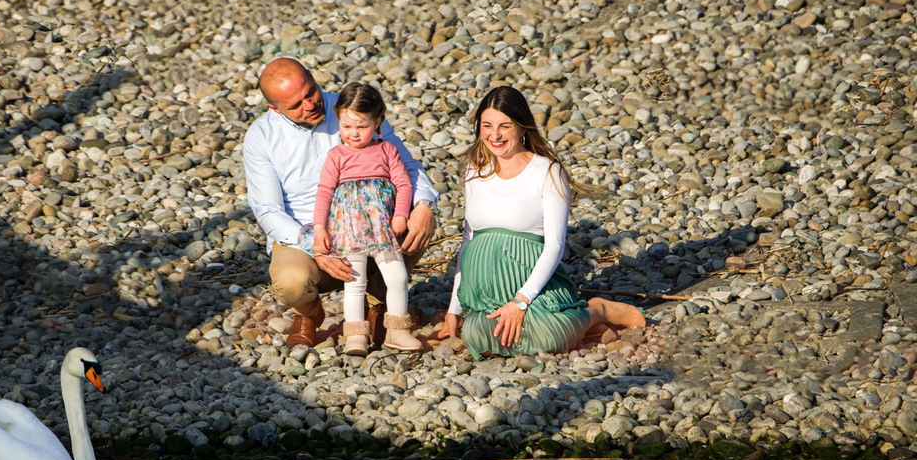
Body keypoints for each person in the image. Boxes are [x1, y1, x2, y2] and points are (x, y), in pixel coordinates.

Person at [437, 85, 645, 359]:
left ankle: (597, 310)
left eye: (505, 126)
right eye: (486, 126)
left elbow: (555, 246)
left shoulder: (546, 171)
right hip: (484, 296)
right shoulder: (475, 170)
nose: (494, 135)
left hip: (529, 287)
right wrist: (454, 311)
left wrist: (520, 302)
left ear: (523, 127)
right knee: (479, 339)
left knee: (550, 335)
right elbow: (468, 239)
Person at [244, 58, 439, 349]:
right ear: (275, 108)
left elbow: (406, 165)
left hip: (372, 224)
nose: (310, 105)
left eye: (310, 92)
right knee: (290, 282)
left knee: (419, 220)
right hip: (308, 233)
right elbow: (267, 209)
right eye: (296, 105)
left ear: (312, 76)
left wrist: (424, 204)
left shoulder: (352, 108)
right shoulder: (261, 137)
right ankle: (309, 314)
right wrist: (316, 246)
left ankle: (377, 303)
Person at [300, 82, 420, 355]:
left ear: (377, 122)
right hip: (349, 230)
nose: (353, 134)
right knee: (355, 283)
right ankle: (355, 336)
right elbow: (325, 192)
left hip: (382, 230)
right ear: (339, 121)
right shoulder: (337, 155)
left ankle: (397, 330)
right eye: (347, 126)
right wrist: (320, 227)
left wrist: (401, 215)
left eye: (361, 126)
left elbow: (404, 184)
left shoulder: (387, 150)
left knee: (398, 277)